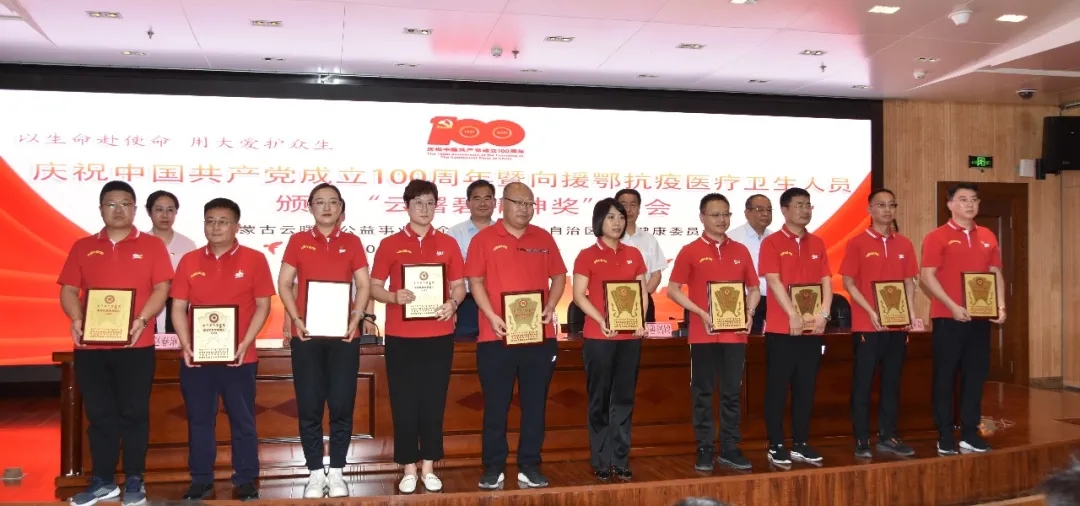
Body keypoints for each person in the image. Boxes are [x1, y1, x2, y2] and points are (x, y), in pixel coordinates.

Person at [57, 180, 173, 506]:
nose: (118, 210)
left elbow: (162, 288)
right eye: (111, 204)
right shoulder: (82, 246)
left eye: (125, 204)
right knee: (99, 415)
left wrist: (142, 320)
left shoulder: (152, 245)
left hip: (136, 346)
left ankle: (135, 480)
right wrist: (76, 318)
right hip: (90, 348)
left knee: (134, 414)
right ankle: (102, 481)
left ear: (135, 209)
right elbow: (68, 290)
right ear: (101, 209)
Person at [465, 182, 566, 490]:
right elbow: (475, 281)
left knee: (535, 404)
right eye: (519, 202)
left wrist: (551, 305)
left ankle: (530, 465)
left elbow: (559, 276)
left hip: (538, 336)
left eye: (529, 204)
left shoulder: (544, 238)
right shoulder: (484, 239)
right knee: (496, 405)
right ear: (503, 204)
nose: (525, 209)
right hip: (496, 336)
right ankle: (493, 467)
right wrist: (491, 316)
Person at [170, 198, 273, 501]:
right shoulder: (189, 261)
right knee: (199, 419)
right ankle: (201, 479)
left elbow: (263, 306)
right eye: (210, 221)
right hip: (197, 358)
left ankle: (245, 479)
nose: (215, 227)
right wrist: (186, 344)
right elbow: (178, 307)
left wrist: (245, 342)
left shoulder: (254, 259)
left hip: (240, 357)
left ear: (236, 226)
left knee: (243, 420)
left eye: (223, 222)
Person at [369, 180, 466, 493]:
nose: (425, 209)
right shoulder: (390, 244)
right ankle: (409, 467)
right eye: (418, 203)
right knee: (404, 402)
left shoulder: (448, 244)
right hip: (402, 336)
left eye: (430, 203)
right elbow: (373, 287)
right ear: (406, 206)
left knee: (434, 401)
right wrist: (392, 297)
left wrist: (453, 303)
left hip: (439, 335)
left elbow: (459, 286)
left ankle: (429, 466)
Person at [277, 183, 373, 498]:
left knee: (342, 404)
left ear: (341, 208)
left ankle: (339, 471)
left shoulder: (352, 242)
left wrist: (356, 317)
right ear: (310, 207)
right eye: (320, 202)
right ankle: (316, 473)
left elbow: (363, 284)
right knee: (309, 405)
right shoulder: (298, 241)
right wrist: (296, 319)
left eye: (333, 202)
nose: (327, 207)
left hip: (344, 336)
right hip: (307, 335)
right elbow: (284, 283)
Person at [666, 193, 760, 472]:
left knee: (732, 392)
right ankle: (705, 447)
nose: (722, 220)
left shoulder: (741, 250)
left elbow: (754, 289)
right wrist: (700, 312)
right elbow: (673, 290)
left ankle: (730, 447)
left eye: (726, 214)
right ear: (702, 217)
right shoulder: (690, 250)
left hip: (736, 334)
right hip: (703, 333)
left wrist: (750, 312)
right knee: (703, 393)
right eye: (715, 214)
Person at [920, 182, 1005, 455]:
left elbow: (995, 273)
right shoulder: (937, 237)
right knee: (945, 378)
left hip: (980, 319)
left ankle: (970, 433)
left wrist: (1000, 306)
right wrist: (952, 306)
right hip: (948, 318)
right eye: (963, 199)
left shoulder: (988, 235)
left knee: (975, 377)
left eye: (974, 199)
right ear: (950, 204)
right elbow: (927, 276)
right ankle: (945, 434)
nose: (970, 204)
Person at [571, 198, 649, 482]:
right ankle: (601, 458)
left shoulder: (634, 254)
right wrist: (601, 319)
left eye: (621, 217)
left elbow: (642, 291)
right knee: (600, 398)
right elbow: (578, 295)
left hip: (630, 337)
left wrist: (640, 320)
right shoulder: (587, 255)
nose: (617, 222)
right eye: (610, 217)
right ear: (599, 221)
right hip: (599, 336)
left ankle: (620, 457)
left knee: (624, 398)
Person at [840, 189, 918, 459]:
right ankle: (862, 437)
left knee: (892, 383)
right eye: (881, 205)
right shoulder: (857, 242)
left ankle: (888, 436)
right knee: (863, 384)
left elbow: (909, 281)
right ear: (869, 210)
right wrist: (870, 310)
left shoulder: (904, 243)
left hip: (897, 325)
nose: (887, 210)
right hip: (867, 325)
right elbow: (849, 282)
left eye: (891, 205)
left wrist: (910, 312)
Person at [758, 187, 832, 467]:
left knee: (806, 387)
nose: (804, 210)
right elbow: (773, 280)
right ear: (785, 210)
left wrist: (824, 313)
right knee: (778, 389)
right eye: (799, 205)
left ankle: (801, 442)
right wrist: (792, 314)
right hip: (782, 329)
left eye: (808, 205)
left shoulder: (818, 243)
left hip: (813, 329)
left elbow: (826, 280)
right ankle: (776, 444)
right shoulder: (772, 243)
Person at [447, 179, 496, 340]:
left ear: (495, 202)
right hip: (465, 303)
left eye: (487, 198)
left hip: (497, 302)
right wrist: (451, 304)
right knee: (464, 350)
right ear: (467, 203)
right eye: (477, 198)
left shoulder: (505, 233)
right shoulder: (453, 234)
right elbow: (446, 274)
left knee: (497, 348)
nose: (483, 203)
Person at [145, 190, 198, 333]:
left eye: (170, 210)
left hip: (178, 309)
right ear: (149, 211)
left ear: (176, 213)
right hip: (146, 307)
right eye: (159, 210)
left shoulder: (187, 245)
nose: (165, 215)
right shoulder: (140, 243)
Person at [615, 189, 666, 323]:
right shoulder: (609, 239)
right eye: (623, 205)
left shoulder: (649, 239)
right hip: (614, 304)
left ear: (639, 209)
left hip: (644, 303)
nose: (628, 209)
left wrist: (641, 297)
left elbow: (656, 275)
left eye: (633, 205)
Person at [731, 194, 774, 334]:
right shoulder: (732, 238)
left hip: (774, 301)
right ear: (747, 212)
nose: (765, 214)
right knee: (750, 341)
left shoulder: (776, 239)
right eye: (760, 209)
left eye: (769, 210)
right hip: (744, 301)